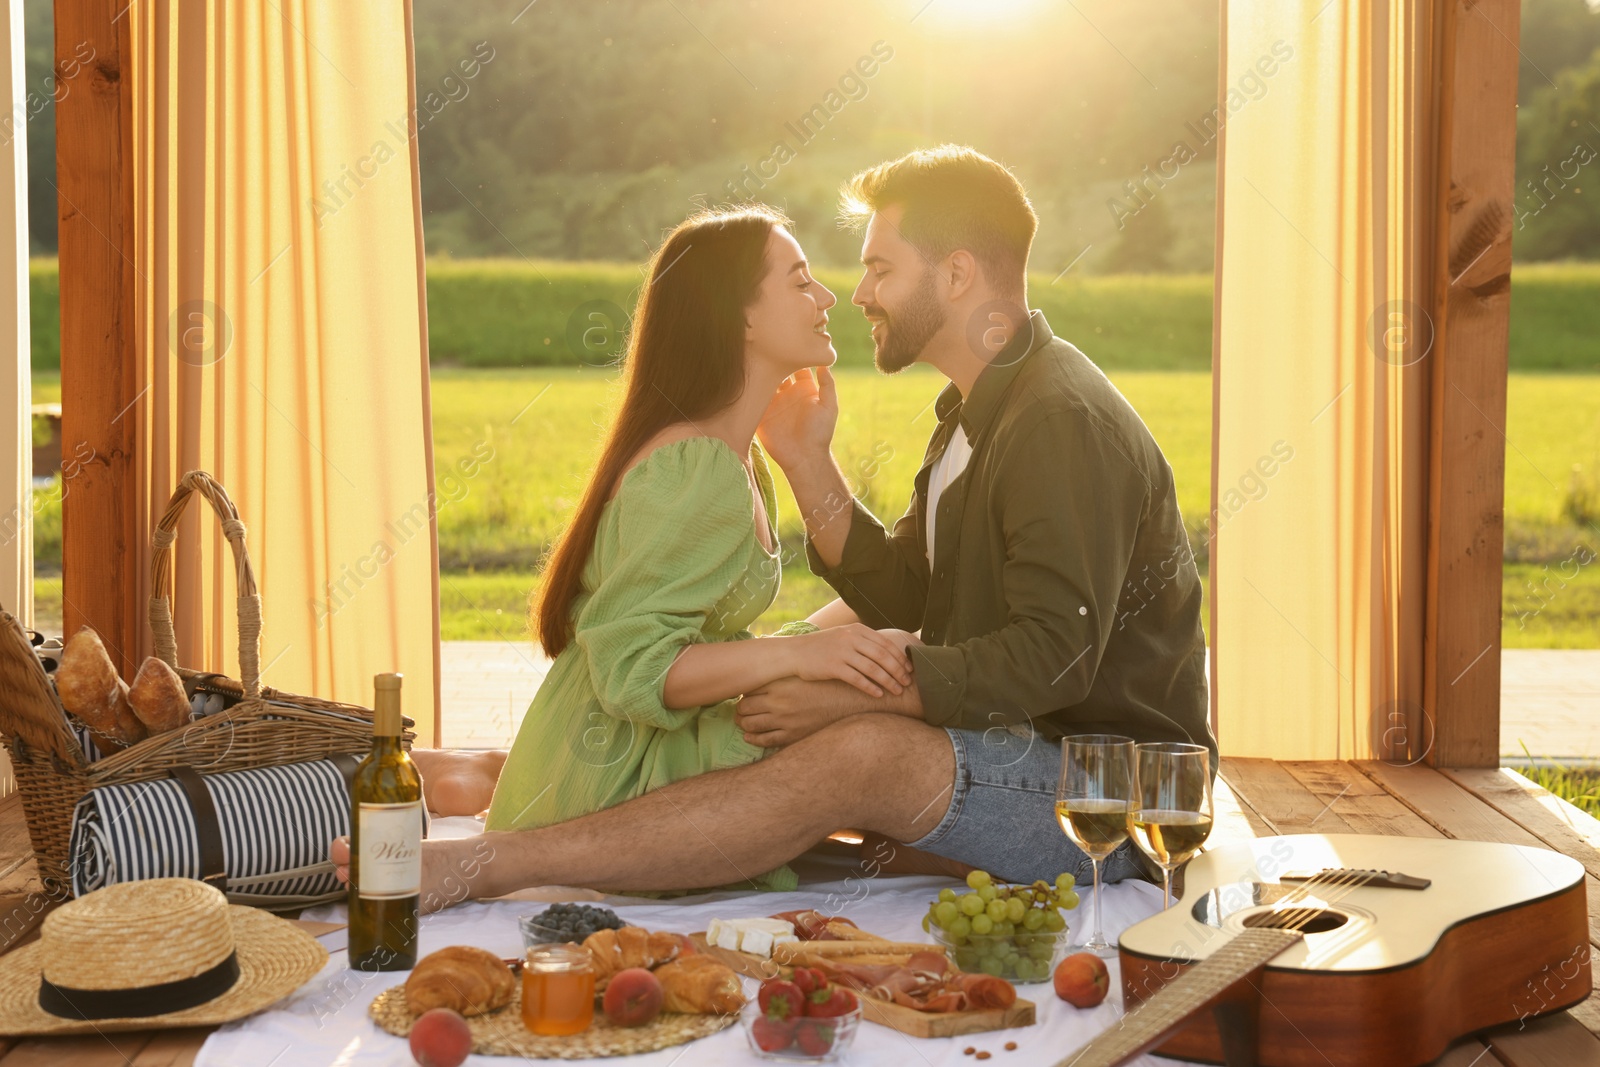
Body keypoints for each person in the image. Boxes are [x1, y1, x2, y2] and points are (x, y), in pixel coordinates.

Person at [331, 146, 1215, 910]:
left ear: (955, 276)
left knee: (860, 745)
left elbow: (1053, 657)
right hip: (1026, 751)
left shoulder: (1057, 420)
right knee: (828, 699)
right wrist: (806, 464)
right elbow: (916, 591)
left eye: (880, 267)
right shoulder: (977, 415)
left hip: (1117, 797)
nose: (858, 291)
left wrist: (874, 690)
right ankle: (560, 804)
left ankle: (491, 862)